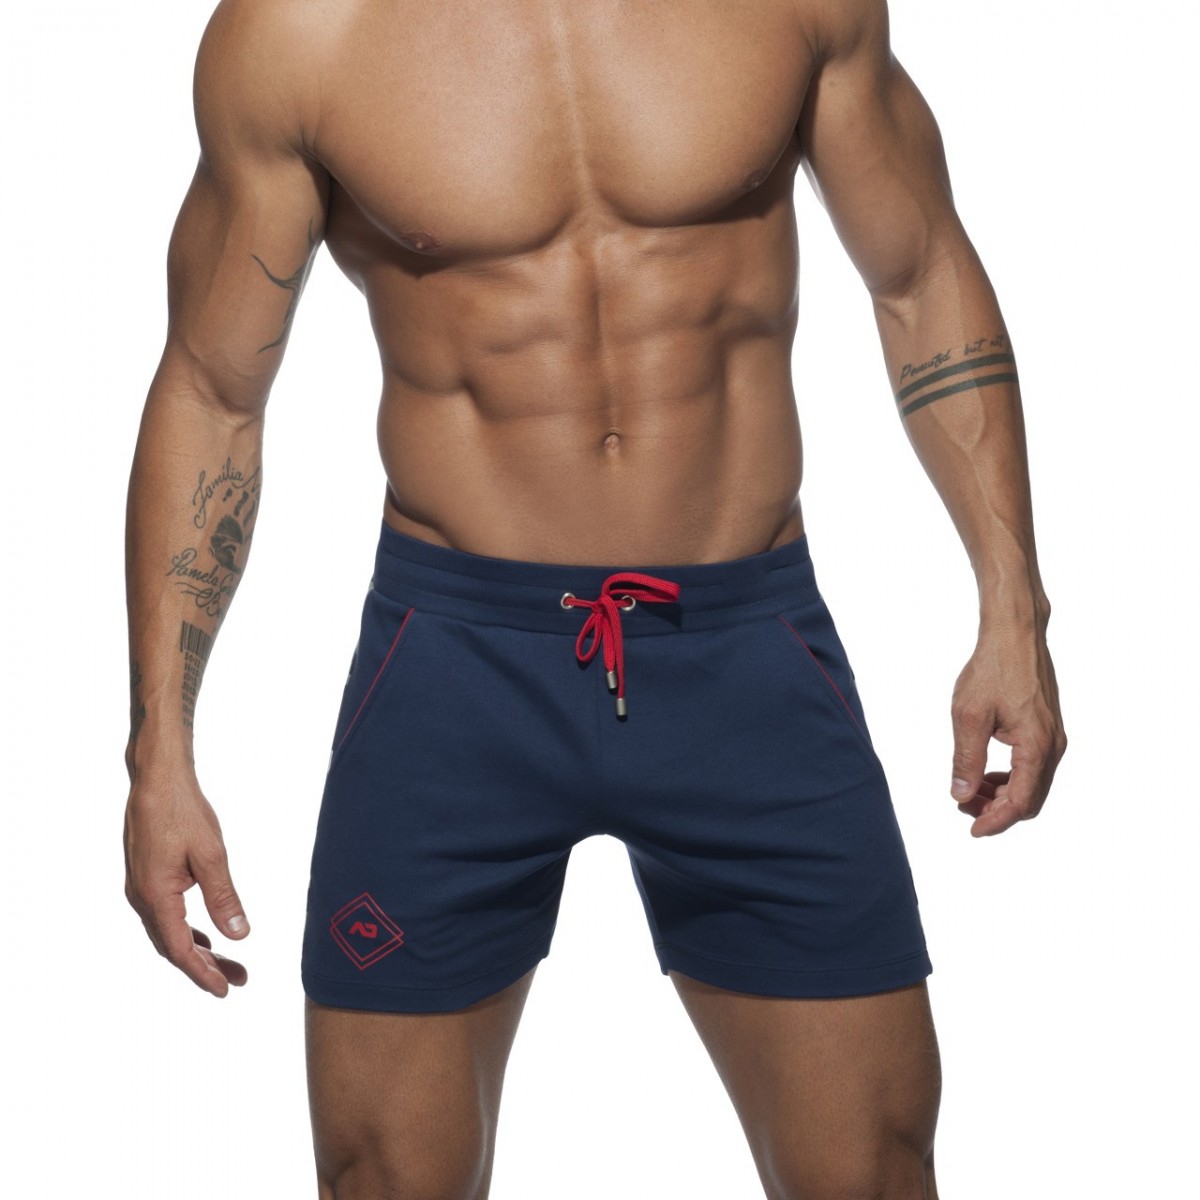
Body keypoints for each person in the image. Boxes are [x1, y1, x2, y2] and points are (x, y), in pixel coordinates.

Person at [123, 0, 1066, 1195]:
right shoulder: (304, 33)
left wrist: (1014, 611)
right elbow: (213, 392)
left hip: (742, 654)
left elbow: (920, 275)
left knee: (872, 1172)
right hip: (457, 670)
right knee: (385, 1181)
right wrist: (161, 755)